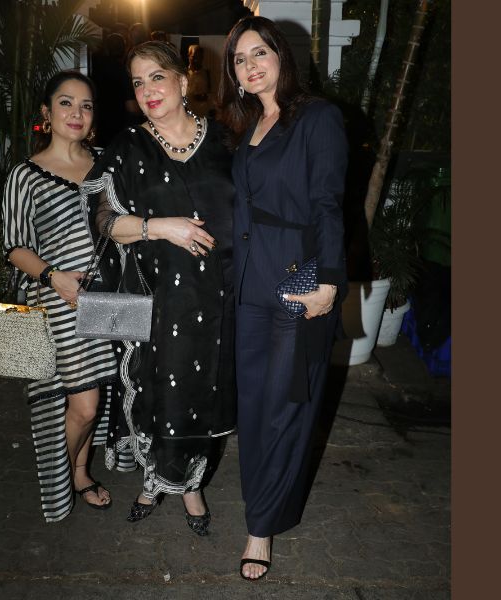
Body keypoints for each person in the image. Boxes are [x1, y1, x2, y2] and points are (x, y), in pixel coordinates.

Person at [81, 41, 237, 536]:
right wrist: (162, 227)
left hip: (218, 296)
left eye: (157, 77)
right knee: (161, 390)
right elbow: (105, 221)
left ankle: (190, 485)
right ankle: (154, 481)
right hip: (157, 298)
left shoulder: (226, 139)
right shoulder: (129, 147)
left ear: (183, 82)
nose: (147, 90)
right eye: (137, 81)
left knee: (202, 390)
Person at [217, 16, 348, 580]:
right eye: (239, 59)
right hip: (249, 284)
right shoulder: (248, 124)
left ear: (281, 56)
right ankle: (259, 502)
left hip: (298, 280)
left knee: (285, 407)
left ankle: (261, 527)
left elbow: (328, 204)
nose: (250, 65)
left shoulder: (316, 117)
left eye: (259, 52)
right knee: (254, 408)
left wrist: (328, 282)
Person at [1, 71, 117, 522]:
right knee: (84, 404)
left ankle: (81, 473)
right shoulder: (25, 175)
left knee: (97, 397)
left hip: (109, 298)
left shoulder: (107, 163)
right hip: (61, 302)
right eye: (66, 103)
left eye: (86, 105)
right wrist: (55, 278)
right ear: (46, 113)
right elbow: (14, 246)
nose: (76, 113)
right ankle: (60, 476)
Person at [186, 43, 214, 118]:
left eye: (199, 57)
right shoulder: (183, 73)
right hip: (187, 116)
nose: (197, 60)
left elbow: (212, 94)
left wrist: (204, 96)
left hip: (202, 115)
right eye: (194, 57)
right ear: (189, 56)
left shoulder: (207, 74)